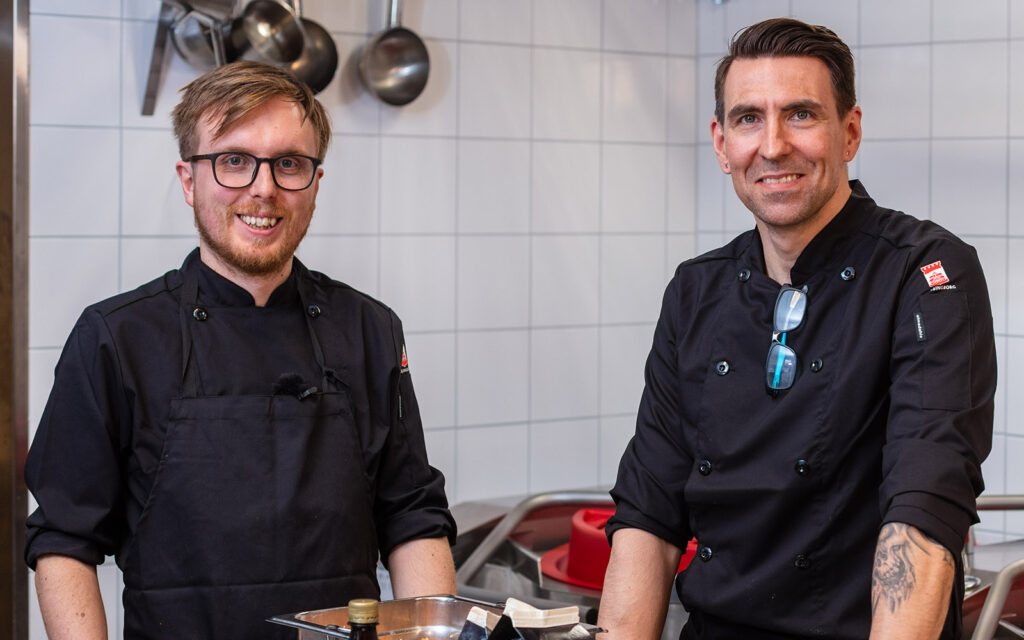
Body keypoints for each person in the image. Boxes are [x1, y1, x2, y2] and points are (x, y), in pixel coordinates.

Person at [25, 61, 457, 640]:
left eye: (289, 163)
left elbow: (412, 515)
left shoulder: (370, 328)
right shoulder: (116, 337)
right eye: (232, 160)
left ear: (315, 182)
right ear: (188, 180)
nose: (264, 188)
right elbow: (64, 541)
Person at [597, 17, 994, 640]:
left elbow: (924, 505)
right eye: (749, 118)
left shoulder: (924, 273)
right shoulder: (695, 291)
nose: (774, 145)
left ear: (850, 132)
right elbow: (648, 514)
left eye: (801, 115)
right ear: (722, 142)